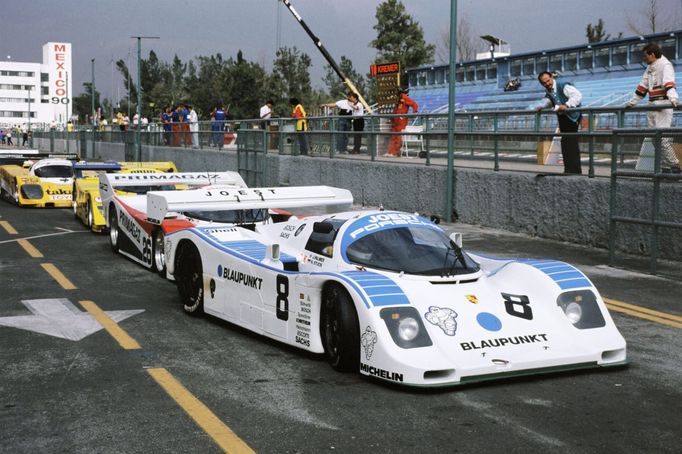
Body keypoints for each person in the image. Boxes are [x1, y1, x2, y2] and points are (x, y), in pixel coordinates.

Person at [625, 42, 680, 173]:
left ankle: (675, 164)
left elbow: (669, 83)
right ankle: (666, 166)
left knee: (662, 139)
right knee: (654, 139)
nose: (644, 59)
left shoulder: (665, 65)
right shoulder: (649, 67)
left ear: (653, 54)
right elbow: (642, 87)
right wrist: (632, 102)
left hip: (663, 103)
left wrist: (673, 98)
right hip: (652, 104)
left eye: (645, 56)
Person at [536, 71, 583, 174]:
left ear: (552, 77)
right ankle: (569, 169)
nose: (547, 84)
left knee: (570, 142)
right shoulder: (549, 91)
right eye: (544, 83)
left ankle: (575, 170)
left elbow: (577, 96)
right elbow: (550, 101)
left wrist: (567, 105)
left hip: (573, 116)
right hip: (563, 117)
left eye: (548, 81)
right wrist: (542, 106)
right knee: (565, 143)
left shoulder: (563, 86)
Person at [387, 88, 419, 156]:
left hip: (401, 120)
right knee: (393, 136)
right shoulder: (397, 99)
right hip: (395, 120)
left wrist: (414, 112)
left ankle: (395, 152)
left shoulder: (404, 97)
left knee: (398, 136)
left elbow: (414, 104)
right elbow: (395, 110)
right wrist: (391, 119)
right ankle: (391, 152)